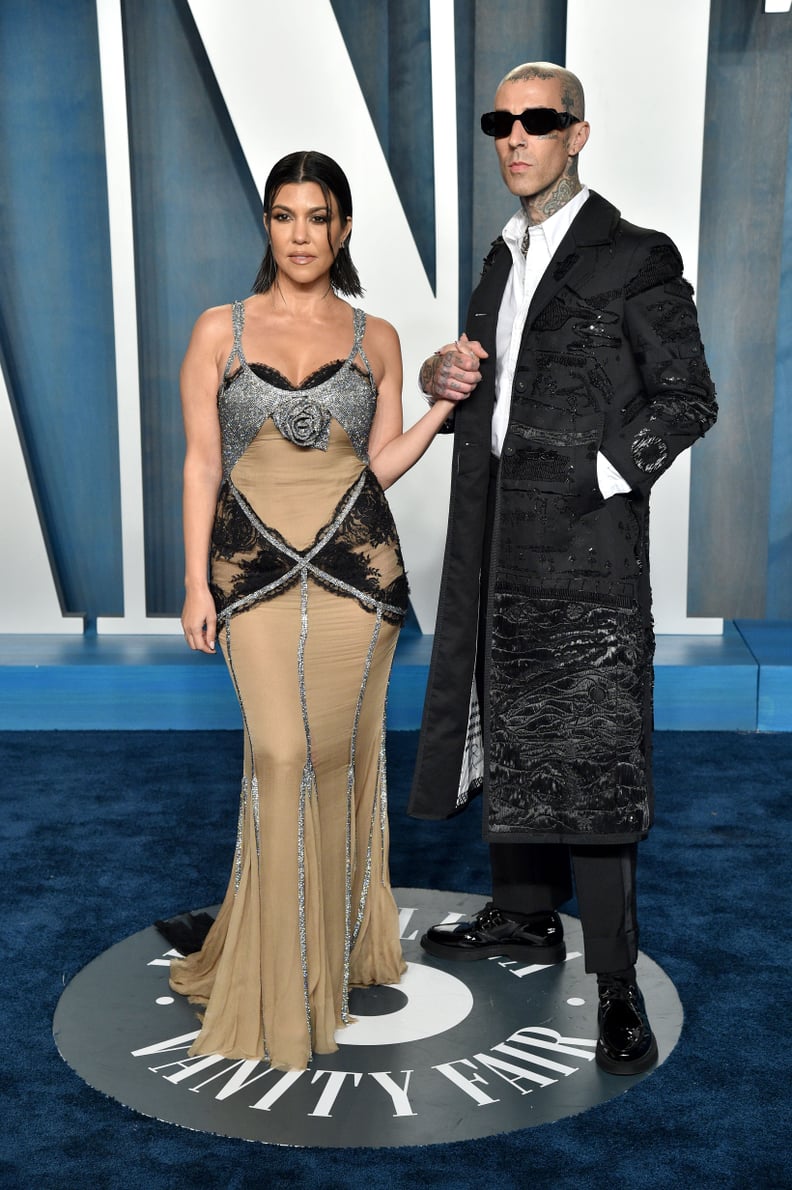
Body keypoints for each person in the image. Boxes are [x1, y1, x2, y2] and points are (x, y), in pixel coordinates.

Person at [408, 62, 717, 1075]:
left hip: (585, 551)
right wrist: (438, 375)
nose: (516, 136)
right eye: (503, 120)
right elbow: (483, 380)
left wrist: (598, 467)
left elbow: (686, 397)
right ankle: (526, 913)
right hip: (494, 537)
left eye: (538, 121)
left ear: (577, 135)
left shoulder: (634, 256)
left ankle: (617, 982)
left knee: (589, 754)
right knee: (508, 723)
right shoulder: (501, 257)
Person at [169, 150, 454, 1072]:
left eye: (318, 218)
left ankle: (328, 954)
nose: (301, 235)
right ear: (268, 224)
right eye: (285, 216)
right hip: (246, 572)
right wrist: (191, 582)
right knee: (282, 754)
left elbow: (375, 465)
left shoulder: (375, 337)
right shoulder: (221, 328)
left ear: (342, 228)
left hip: (357, 578)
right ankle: (279, 983)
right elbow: (203, 464)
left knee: (336, 757)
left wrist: (440, 413)